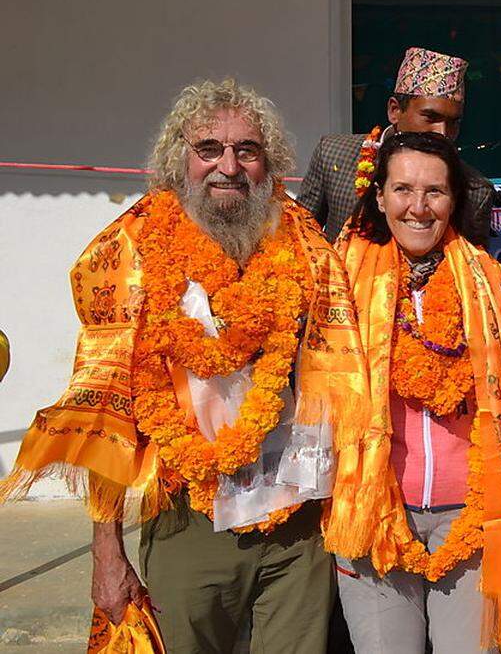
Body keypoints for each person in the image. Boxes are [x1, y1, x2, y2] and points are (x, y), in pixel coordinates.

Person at [0, 79, 367, 652]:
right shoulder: (129, 251)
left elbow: (347, 374)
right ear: (179, 159)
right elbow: (106, 408)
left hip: (299, 523)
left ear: (269, 163)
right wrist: (106, 548)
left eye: (247, 150)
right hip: (188, 515)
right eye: (209, 150)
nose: (229, 166)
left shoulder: (305, 243)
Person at [322, 131, 501, 653]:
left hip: (471, 515)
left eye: (435, 192)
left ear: (455, 199)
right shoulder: (337, 280)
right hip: (374, 509)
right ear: (378, 196)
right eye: (403, 189)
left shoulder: (491, 280)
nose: (419, 208)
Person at [298, 46, 495, 242]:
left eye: (454, 122)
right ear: (394, 110)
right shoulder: (334, 154)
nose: (443, 133)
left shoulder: (474, 191)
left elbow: (471, 267)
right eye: (430, 117)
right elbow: (300, 239)